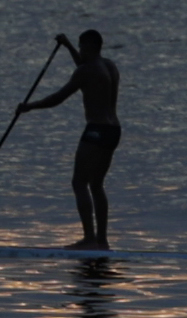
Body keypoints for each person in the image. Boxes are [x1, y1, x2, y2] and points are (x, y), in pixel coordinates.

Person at [18, 28, 120, 249]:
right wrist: (68, 46)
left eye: (81, 46)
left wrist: (30, 107)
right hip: (114, 131)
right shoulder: (109, 66)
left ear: (90, 47)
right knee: (97, 184)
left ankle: (89, 239)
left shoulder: (86, 71)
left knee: (79, 182)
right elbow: (85, 70)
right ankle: (102, 240)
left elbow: (58, 98)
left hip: (96, 130)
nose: (80, 50)